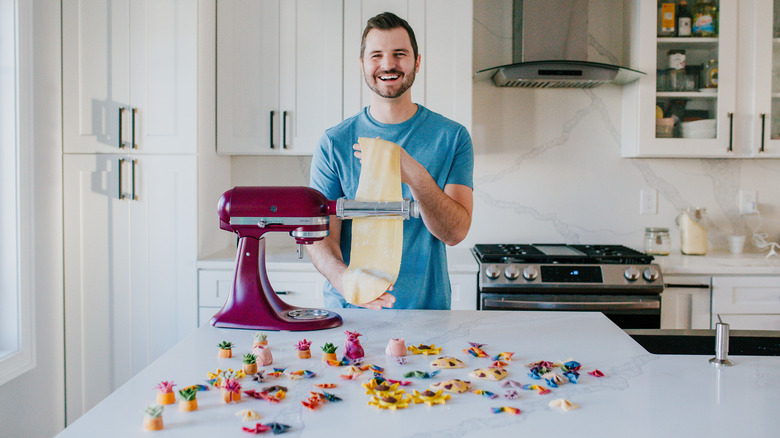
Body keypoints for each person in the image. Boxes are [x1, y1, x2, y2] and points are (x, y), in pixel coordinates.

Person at [307, 12, 474, 310]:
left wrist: (414, 174)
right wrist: (345, 281)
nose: (387, 65)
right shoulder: (334, 143)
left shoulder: (452, 137)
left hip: (427, 314)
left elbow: (455, 233)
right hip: (351, 312)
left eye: (399, 54)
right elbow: (321, 238)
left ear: (417, 62)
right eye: (376, 55)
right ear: (362, 65)